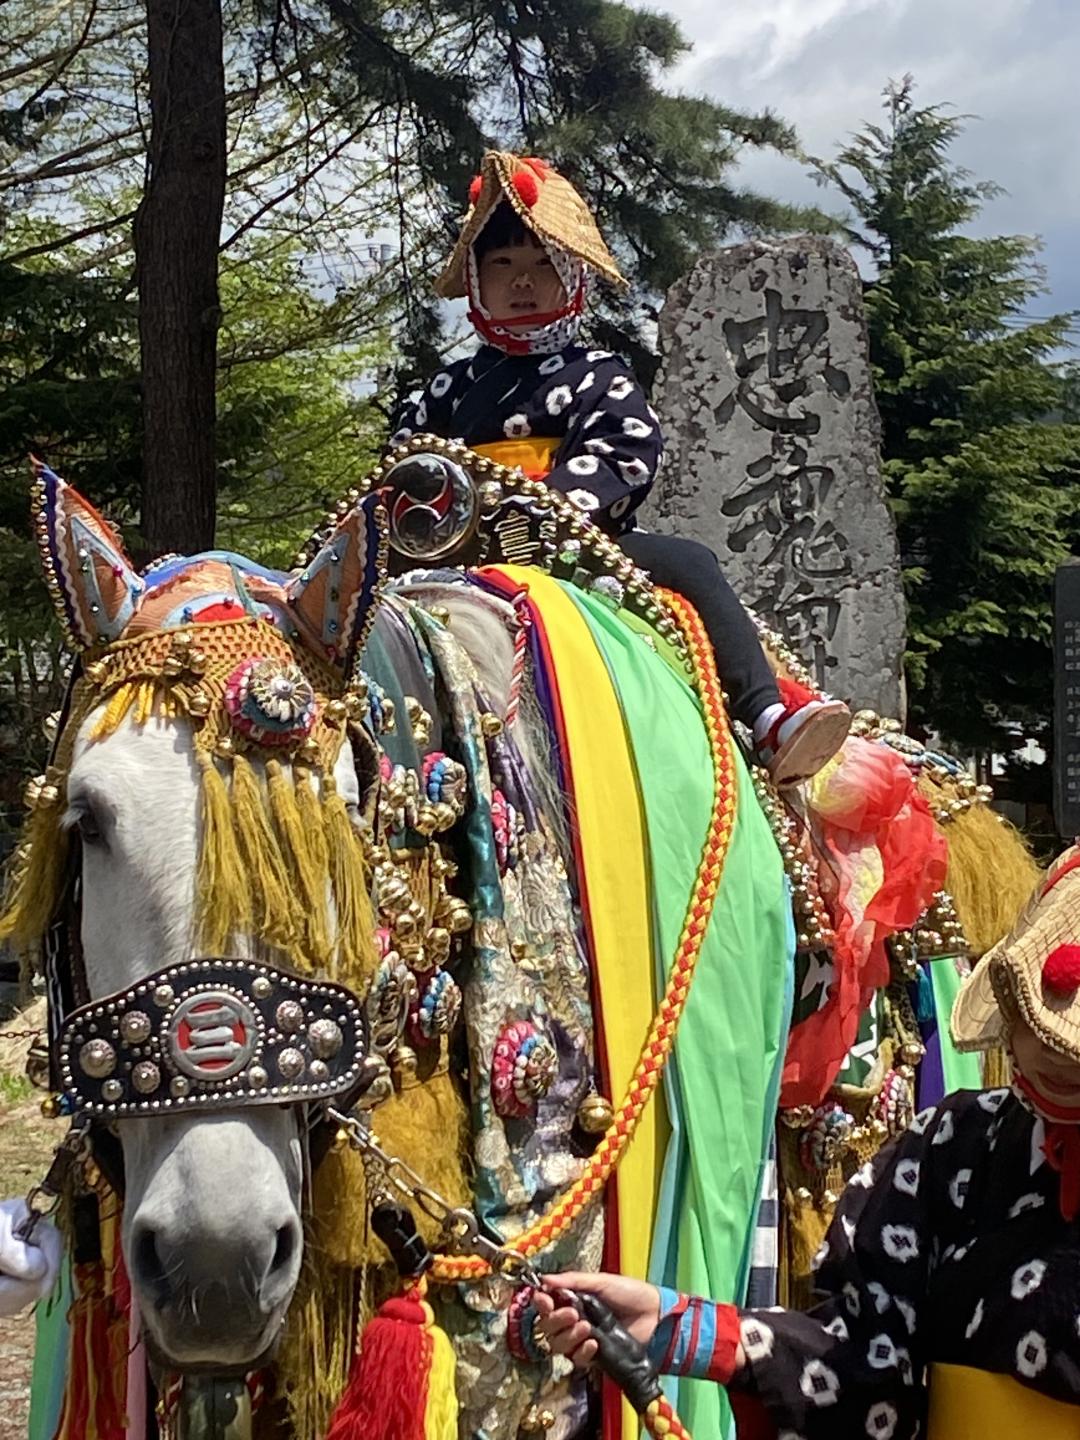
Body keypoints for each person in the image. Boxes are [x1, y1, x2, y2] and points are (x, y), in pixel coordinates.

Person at [534, 844, 1080, 1438]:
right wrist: (678, 1329)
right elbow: (860, 1360)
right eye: (1036, 1023)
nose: (1052, 1054)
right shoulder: (955, 1145)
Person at [391, 150, 850, 785]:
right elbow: (406, 470)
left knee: (691, 561)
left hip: (580, 542)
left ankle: (767, 715)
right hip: (454, 554)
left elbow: (625, 454)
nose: (521, 282)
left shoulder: (596, 372)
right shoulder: (445, 387)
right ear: (475, 278)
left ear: (572, 277)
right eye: (502, 265)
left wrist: (543, 507)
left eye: (541, 266)